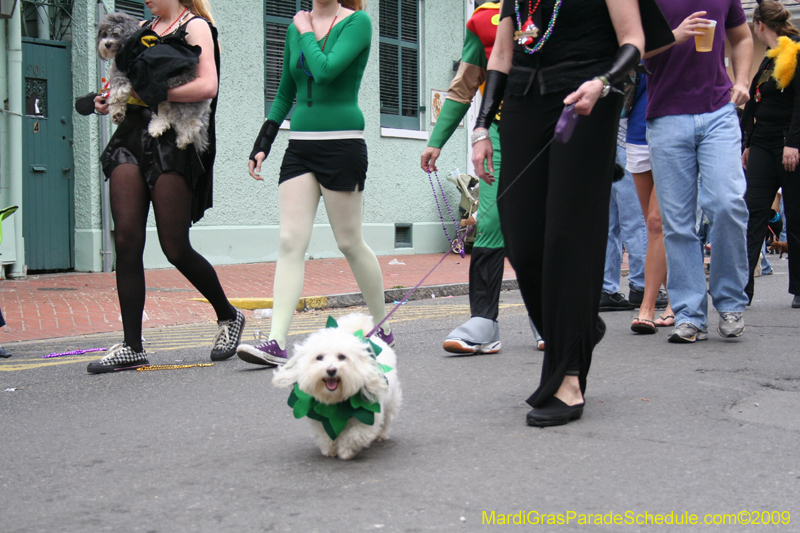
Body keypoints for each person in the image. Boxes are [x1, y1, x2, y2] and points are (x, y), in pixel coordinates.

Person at [472, 0, 669, 426]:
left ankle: (569, 376)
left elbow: (634, 39)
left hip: (587, 99)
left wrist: (603, 82)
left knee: (568, 235)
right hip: (524, 101)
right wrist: (482, 126)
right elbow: (502, 55)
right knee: (521, 241)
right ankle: (580, 330)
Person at [89, 0, 245, 373]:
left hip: (172, 141)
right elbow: (126, 79)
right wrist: (110, 97)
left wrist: (155, 93)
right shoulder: (142, 27)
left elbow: (208, 85)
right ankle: (132, 345)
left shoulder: (196, 27)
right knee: (126, 239)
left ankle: (228, 315)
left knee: (174, 247)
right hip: (131, 137)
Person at [239, 0, 392, 366]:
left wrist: (306, 29)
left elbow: (325, 71)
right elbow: (284, 93)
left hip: (342, 144)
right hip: (300, 149)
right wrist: (264, 143)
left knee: (349, 242)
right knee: (291, 241)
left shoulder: (357, 23)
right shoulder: (296, 27)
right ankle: (276, 342)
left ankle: (382, 327)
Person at [420, 1, 545, 354]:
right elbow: (463, 87)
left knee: (549, 221)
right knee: (490, 221)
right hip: (504, 133)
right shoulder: (482, 17)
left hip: (559, 128)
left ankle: (551, 315)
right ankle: (484, 322)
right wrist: (436, 140)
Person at [644, 3, 753, 343]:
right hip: (666, 115)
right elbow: (631, 48)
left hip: (719, 110)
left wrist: (743, 80)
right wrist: (674, 37)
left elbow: (742, 36)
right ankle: (690, 314)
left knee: (727, 203)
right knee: (677, 223)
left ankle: (731, 302)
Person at [741, 0, 800, 309]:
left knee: (797, 215)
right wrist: (747, 142)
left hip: (789, 145)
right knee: (751, 213)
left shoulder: (797, 50)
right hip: (763, 144)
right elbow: (753, 102)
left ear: (759, 25)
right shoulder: (767, 60)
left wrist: (794, 141)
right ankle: (742, 289)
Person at [626, 73, 675, 333]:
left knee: (658, 223)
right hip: (636, 131)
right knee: (654, 226)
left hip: (673, 126)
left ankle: (647, 306)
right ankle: (677, 299)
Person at [600, 109, 649, 313]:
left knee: (609, 223)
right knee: (635, 220)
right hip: (627, 140)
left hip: (605, 141)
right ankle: (641, 285)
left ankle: (605, 288)